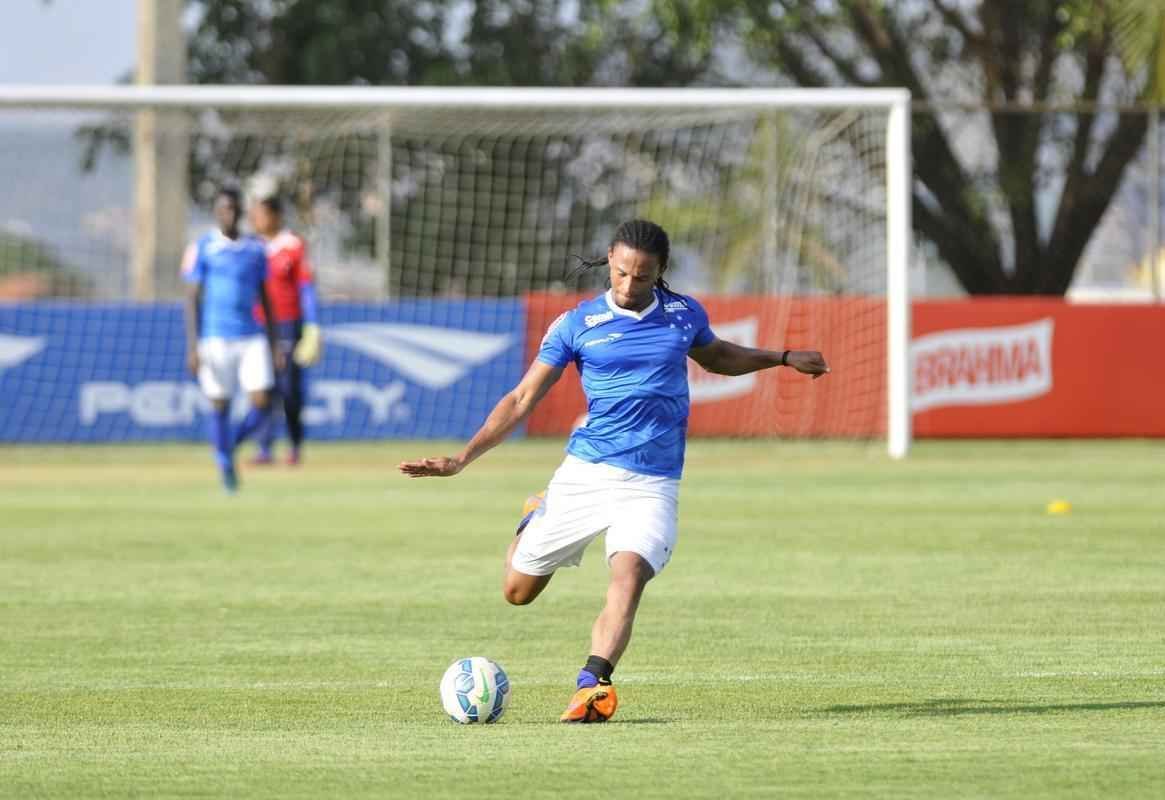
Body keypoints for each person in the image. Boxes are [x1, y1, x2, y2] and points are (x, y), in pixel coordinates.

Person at [398, 219, 829, 723]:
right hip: (586, 474)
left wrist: (780, 358)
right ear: (609, 260)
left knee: (628, 575)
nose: (628, 285)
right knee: (517, 593)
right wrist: (461, 459)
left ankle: (593, 686)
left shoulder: (683, 314)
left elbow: (716, 355)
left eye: (641, 277)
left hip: (652, 484)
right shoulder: (576, 325)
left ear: (659, 273)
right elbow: (520, 399)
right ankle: (534, 515)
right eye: (621, 272)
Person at [182, 187, 284, 492]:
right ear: (216, 213)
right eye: (223, 209)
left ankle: (228, 447)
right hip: (215, 337)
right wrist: (193, 345)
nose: (229, 214)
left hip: (251, 336)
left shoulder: (255, 248)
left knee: (263, 401)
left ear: (241, 212)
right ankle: (226, 465)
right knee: (220, 404)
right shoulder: (204, 246)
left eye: (234, 208)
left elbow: (266, 298)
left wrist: (275, 342)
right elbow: (191, 298)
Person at [247, 195, 323, 466]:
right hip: (257, 326)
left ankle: (294, 445)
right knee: (261, 387)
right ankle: (264, 448)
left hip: (287, 325)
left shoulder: (293, 245)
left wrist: (312, 325)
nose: (255, 219)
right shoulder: (251, 247)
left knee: (289, 388)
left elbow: (305, 288)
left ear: (276, 216)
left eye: (260, 213)